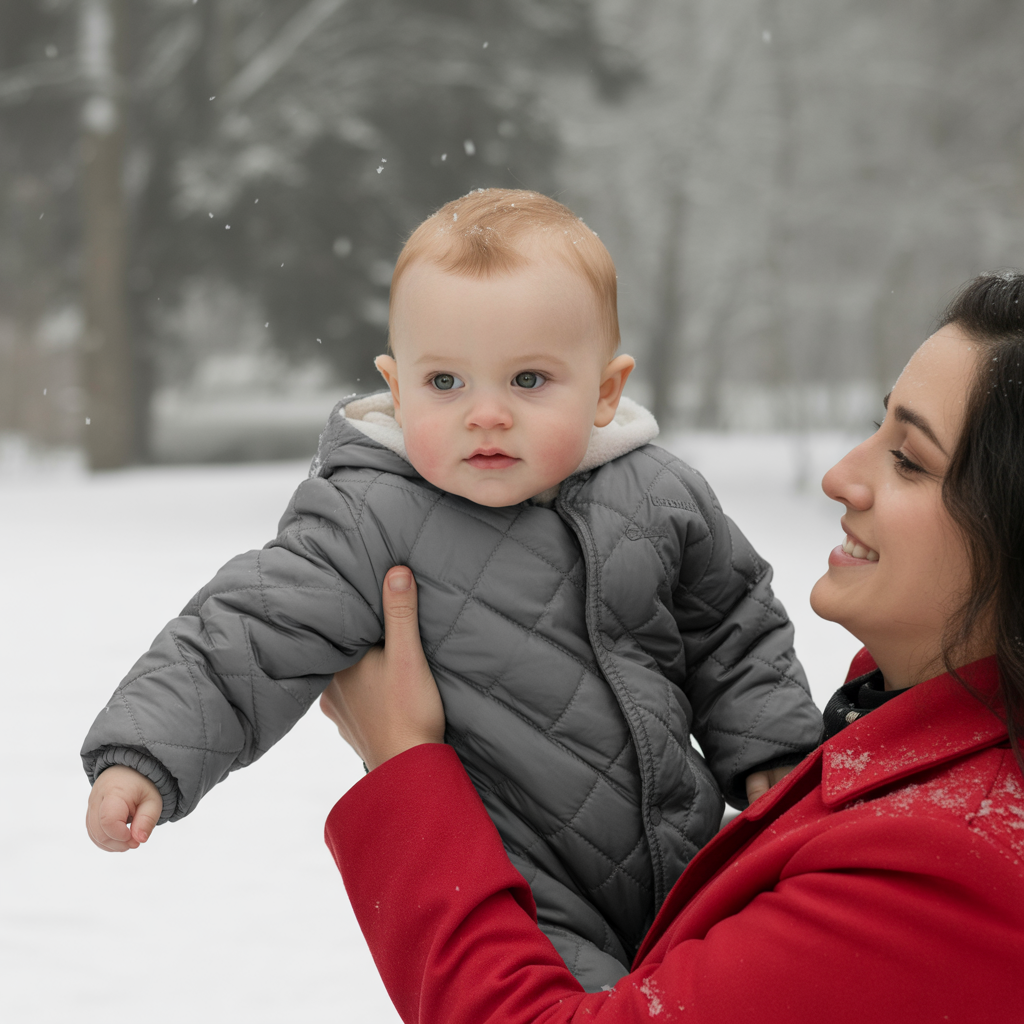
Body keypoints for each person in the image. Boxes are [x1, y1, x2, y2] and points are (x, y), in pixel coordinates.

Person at [80, 189, 821, 990]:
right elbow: (247, 632)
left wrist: (773, 750)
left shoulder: (661, 496)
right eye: (446, 383)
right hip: (517, 884)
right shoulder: (368, 515)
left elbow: (735, 626)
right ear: (396, 390)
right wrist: (146, 755)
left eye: (529, 379)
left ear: (606, 391)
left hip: (690, 863)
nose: (487, 415)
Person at [321, 271, 1024, 1022]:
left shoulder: (954, 865)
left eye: (910, 459)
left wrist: (404, 765)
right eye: (878, 427)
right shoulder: (910, 756)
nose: (840, 476)